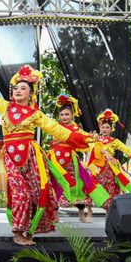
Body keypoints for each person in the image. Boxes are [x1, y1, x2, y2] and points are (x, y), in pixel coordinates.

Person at [0, 61, 94, 245]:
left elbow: (56, 129)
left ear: (31, 93)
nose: (18, 91)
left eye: (23, 88)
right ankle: (18, 233)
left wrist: (84, 138)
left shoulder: (35, 114)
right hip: (11, 157)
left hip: (31, 157)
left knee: (36, 194)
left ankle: (30, 230)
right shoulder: (5, 107)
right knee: (20, 194)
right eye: (16, 88)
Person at [49, 95, 107, 223]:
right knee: (56, 185)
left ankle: (82, 215)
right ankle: (56, 216)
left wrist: (91, 137)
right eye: (62, 114)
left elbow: (85, 138)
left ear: (72, 115)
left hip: (70, 161)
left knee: (79, 184)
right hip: (55, 160)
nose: (64, 117)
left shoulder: (76, 128)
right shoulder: (55, 126)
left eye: (67, 114)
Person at [87, 109, 131, 209]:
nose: (105, 129)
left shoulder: (115, 141)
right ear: (100, 128)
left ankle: (108, 212)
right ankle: (89, 209)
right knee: (91, 184)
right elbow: (91, 147)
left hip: (110, 168)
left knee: (110, 189)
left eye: (107, 127)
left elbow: (127, 150)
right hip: (97, 167)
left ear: (111, 129)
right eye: (103, 127)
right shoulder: (96, 139)